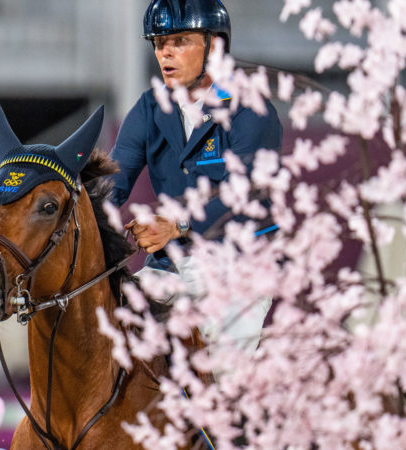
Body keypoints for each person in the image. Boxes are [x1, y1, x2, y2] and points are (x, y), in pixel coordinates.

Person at [110, 0, 282, 351]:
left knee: (221, 374)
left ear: (215, 46)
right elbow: (110, 183)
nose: (165, 54)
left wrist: (177, 225)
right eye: (159, 44)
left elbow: (245, 195)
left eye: (180, 42)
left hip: (239, 269)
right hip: (169, 267)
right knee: (112, 332)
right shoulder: (149, 107)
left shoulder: (251, 107)